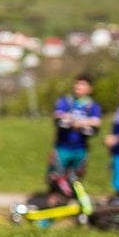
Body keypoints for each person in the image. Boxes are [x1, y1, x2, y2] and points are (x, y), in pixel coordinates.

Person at [45, 74, 101, 204]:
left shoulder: (92, 105)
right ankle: (51, 206)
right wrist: (82, 122)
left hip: (80, 148)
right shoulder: (66, 101)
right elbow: (57, 117)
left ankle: (71, 205)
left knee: (75, 180)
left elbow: (96, 123)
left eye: (83, 84)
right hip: (62, 147)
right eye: (77, 84)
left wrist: (78, 123)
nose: (79, 87)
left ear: (89, 88)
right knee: (56, 178)